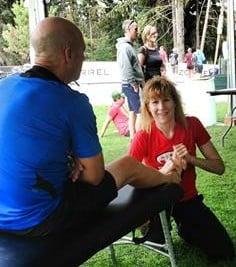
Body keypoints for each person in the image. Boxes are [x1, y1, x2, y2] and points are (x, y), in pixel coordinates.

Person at [0, 17, 181, 237]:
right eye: (82, 52)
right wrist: (72, 163)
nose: (83, 58)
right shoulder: (71, 102)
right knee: (127, 165)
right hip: (41, 218)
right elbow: (94, 175)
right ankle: (169, 178)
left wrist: (67, 161)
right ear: (68, 54)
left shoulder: (5, 86)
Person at [129, 76, 235, 261]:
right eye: (155, 102)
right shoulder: (143, 135)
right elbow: (131, 176)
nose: (161, 107)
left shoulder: (192, 124)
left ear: (175, 102)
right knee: (157, 239)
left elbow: (219, 167)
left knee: (224, 251)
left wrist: (190, 159)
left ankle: (185, 227)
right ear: (147, 106)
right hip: (158, 199)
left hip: (187, 197)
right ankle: (151, 224)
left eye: (166, 100)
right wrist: (164, 171)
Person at [116, 19, 144, 139]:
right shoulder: (125, 48)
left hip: (131, 84)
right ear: (128, 30)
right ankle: (139, 140)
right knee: (140, 113)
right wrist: (133, 83)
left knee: (133, 112)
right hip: (131, 84)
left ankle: (133, 139)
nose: (137, 32)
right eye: (135, 29)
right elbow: (126, 67)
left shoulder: (128, 46)